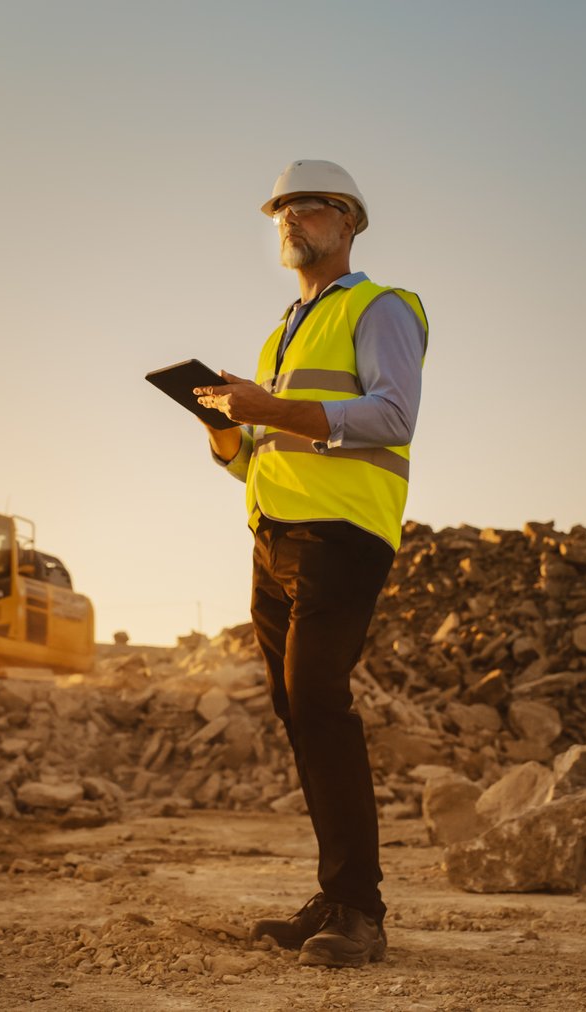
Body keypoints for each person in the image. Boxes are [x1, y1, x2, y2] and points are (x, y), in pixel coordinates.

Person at [192, 159, 427, 969]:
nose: (292, 219)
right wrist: (227, 425)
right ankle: (336, 895)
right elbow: (252, 455)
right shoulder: (279, 332)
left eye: (311, 208)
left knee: (320, 699)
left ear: (350, 222)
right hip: (275, 534)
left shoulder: (381, 307)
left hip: (344, 529)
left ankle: (361, 909)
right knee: (300, 709)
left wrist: (270, 407)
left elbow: (393, 415)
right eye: (282, 210)